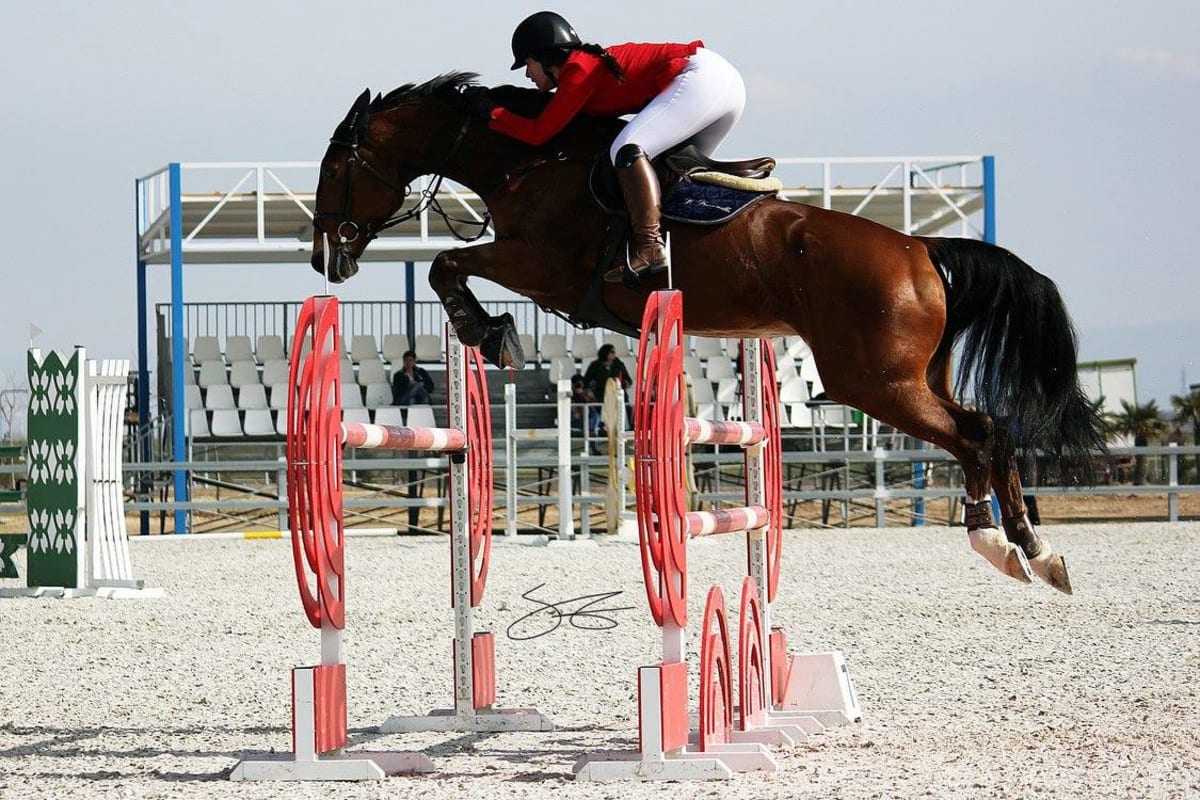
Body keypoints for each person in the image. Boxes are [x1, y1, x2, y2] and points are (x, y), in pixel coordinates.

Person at [467, 11, 747, 281]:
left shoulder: (577, 70)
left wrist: (491, 113)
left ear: (545, 57)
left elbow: (539, 133)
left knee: (627, 149)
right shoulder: (583, 68)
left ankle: (649, 246)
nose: (527, 74)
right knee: (674, 172)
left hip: (703, 79)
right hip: (723, 85)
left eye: (528, 63)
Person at [582, 344, 633, 436]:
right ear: (605, 353)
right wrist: (590, 391)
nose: (614, 354)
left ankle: (625, 430)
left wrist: (624, 383)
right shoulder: (595, 365)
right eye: (612, 352)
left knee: (626, 409)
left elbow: (628, 379)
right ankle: (603, 430)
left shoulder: (619, 364)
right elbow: (586, 380)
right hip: (601, 394)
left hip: (618, 394)